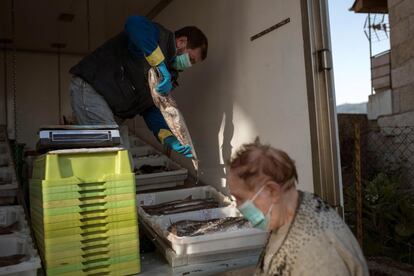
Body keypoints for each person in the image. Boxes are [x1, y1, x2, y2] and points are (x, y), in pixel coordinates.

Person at [69, 16, 208, 158]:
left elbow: (149, 108)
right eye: (190, 58)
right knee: (113, 156)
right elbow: (134, 23)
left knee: (123, 160)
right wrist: (159, 64)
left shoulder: (169, 76)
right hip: (91, 90)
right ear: (181, 42)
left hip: (110, 109)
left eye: (193, 63)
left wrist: (167, 137)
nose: (188, 65)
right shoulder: (159, 36)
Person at [227, 139, 369, 276]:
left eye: (240, 198)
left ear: (272, 191)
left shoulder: (316, 255)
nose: (238, 206)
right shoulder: (293, 207)